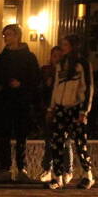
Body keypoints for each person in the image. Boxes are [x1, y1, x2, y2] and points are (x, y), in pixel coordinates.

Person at [0, 23, 41, 182]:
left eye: (9, 34)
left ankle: (21, 168)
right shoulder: (2, 57)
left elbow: (35, 78)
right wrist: (0, 86)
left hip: (21, 102)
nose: (6, 37)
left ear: (17, 36)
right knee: (4, 135)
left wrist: (22, 84)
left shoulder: (29, 57)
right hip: (5, 101)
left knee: (21, 135)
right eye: (4, 35)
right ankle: (5, 168)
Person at [46, 34, 95, 190]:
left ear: (73, 46)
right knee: (57, 142)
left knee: (80, 142)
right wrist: (52, 107)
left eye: (66, 45)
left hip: (76, 108)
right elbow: (56, 86)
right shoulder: (61, 65)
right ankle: (57, 177)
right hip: (61, 108)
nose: (63, 48)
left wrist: (84, 110)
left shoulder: (82, 64)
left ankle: (88, 175)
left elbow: (88, 87)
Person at [37, 46, 73, 184]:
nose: (57, 59)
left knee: (65, 141)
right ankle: (48, 169)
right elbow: (39, 90)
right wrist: (46, 85)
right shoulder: (45, 71)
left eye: (60, 56)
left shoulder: (67, 72)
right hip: (49, 109)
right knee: (49, 141)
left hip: (63, 109)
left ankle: (67, 170)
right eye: (54, 56)